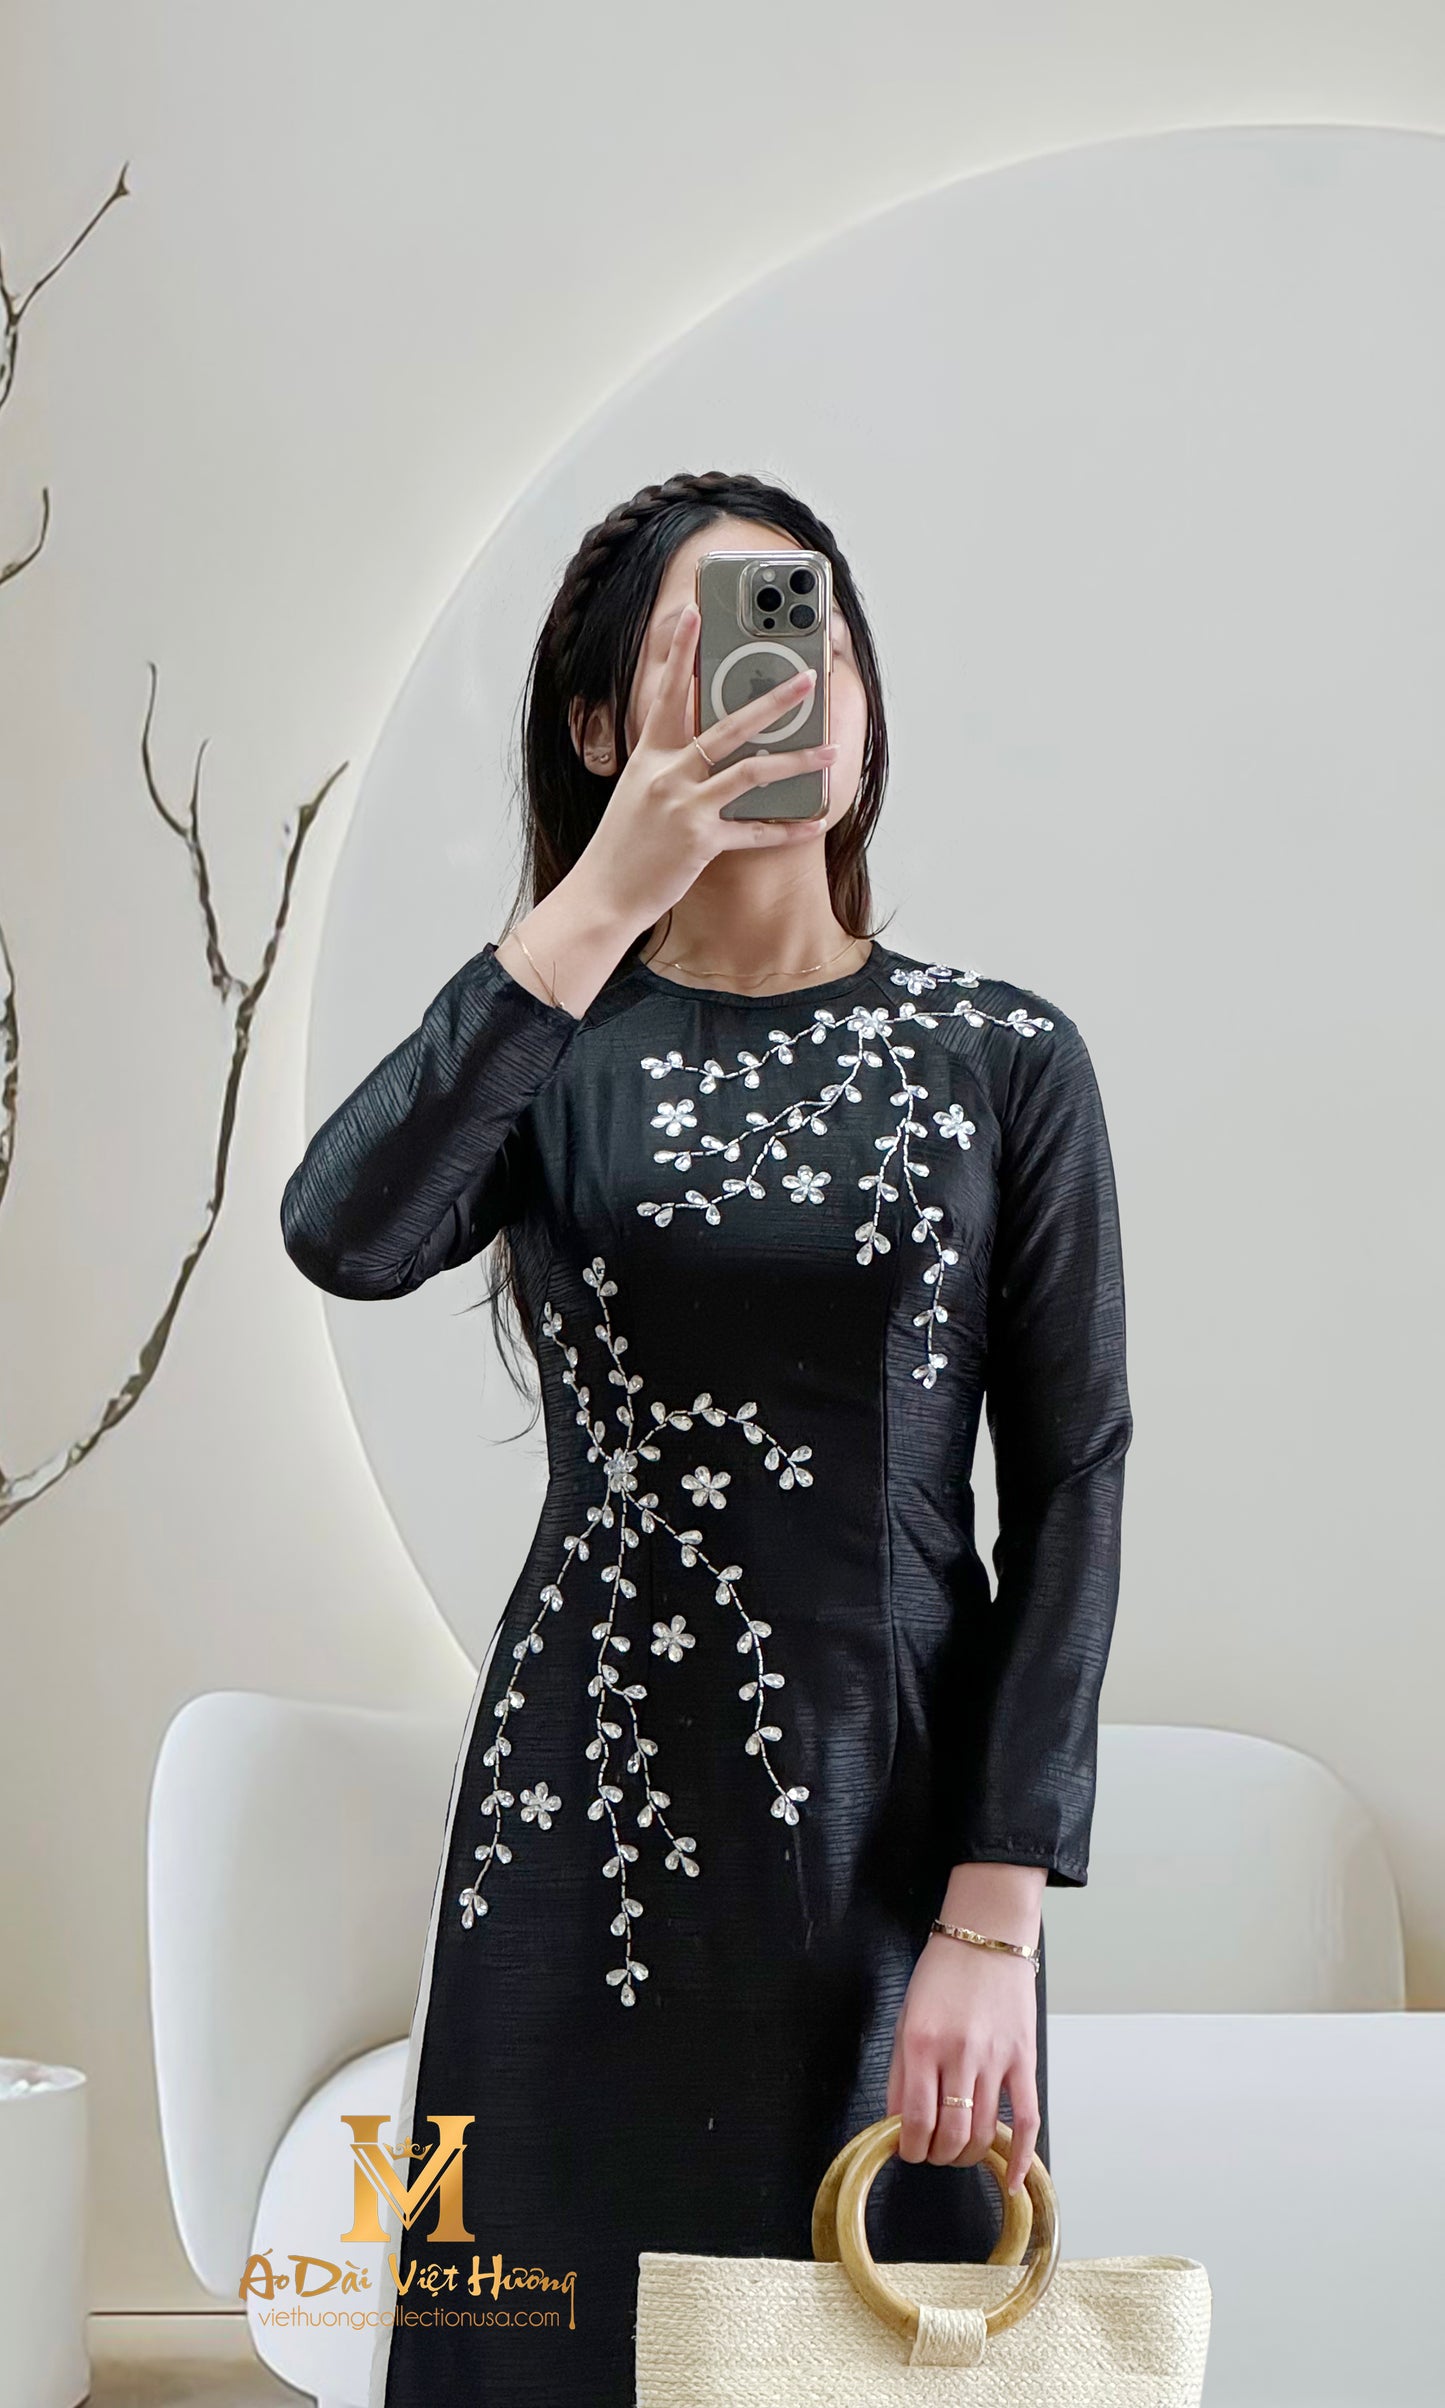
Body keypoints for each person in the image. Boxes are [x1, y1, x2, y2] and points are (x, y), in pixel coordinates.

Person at [279, 468, 1132, 2407]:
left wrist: (993, 1914)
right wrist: (598, 898)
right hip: (573, 1834)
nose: (785, 674)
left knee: (881, 2356)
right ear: (601, 725)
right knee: (540, 2350)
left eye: (812, 628)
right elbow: (346, 1232)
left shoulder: (1002, 1059)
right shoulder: (551, 1041)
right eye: (720, 640)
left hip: (881, 1844)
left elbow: (1074, 1483)